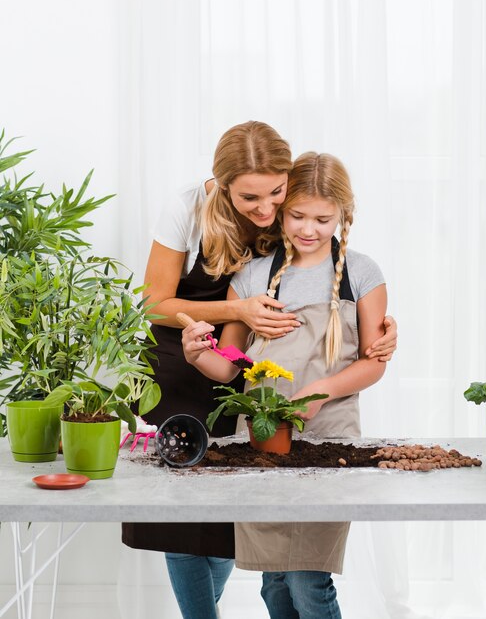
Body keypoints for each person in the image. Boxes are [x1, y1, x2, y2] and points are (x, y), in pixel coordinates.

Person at [122, 122, 398, 619]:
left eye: (279, 196)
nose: (271, 212)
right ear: (223, 184)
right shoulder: (208, 227)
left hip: (311, 422)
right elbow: (212, 350)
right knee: (215, 543)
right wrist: (215, 334)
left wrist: (371, 341)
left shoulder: (352, 265)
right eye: (255, 199)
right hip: (207, 374)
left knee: (288, 566)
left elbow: (367, 353)